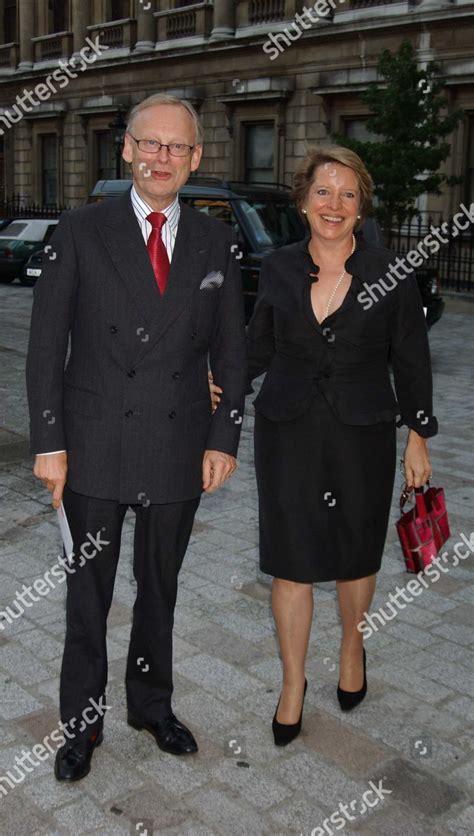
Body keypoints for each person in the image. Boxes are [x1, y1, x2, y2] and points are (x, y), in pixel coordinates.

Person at [26, 94, 247, 779]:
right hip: (91, 445)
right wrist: (49, 442)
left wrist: (224, 438)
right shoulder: (82, 229)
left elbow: (232, 352)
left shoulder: (215, 241)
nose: (161, 158)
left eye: (176, 147)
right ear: (125, 149)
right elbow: (44, 347)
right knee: (86, 597)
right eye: (149, 144)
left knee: (160, 589)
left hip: (178, 446)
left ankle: (150, 707)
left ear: (196, 158)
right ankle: (81, 727)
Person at [212, 145, 436, 745]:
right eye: (323, 192)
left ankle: (353, 647)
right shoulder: (279, 266)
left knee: (356, 554)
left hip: (363, 433)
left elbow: (411, 361)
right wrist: (217, 386)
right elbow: (258, 345)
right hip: (288, 429)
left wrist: (418, 435)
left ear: (360, 206)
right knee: (291, 559)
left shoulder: (392, 270)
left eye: (347, 194)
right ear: (304, 200)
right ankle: (292, 684)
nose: (333, 204)